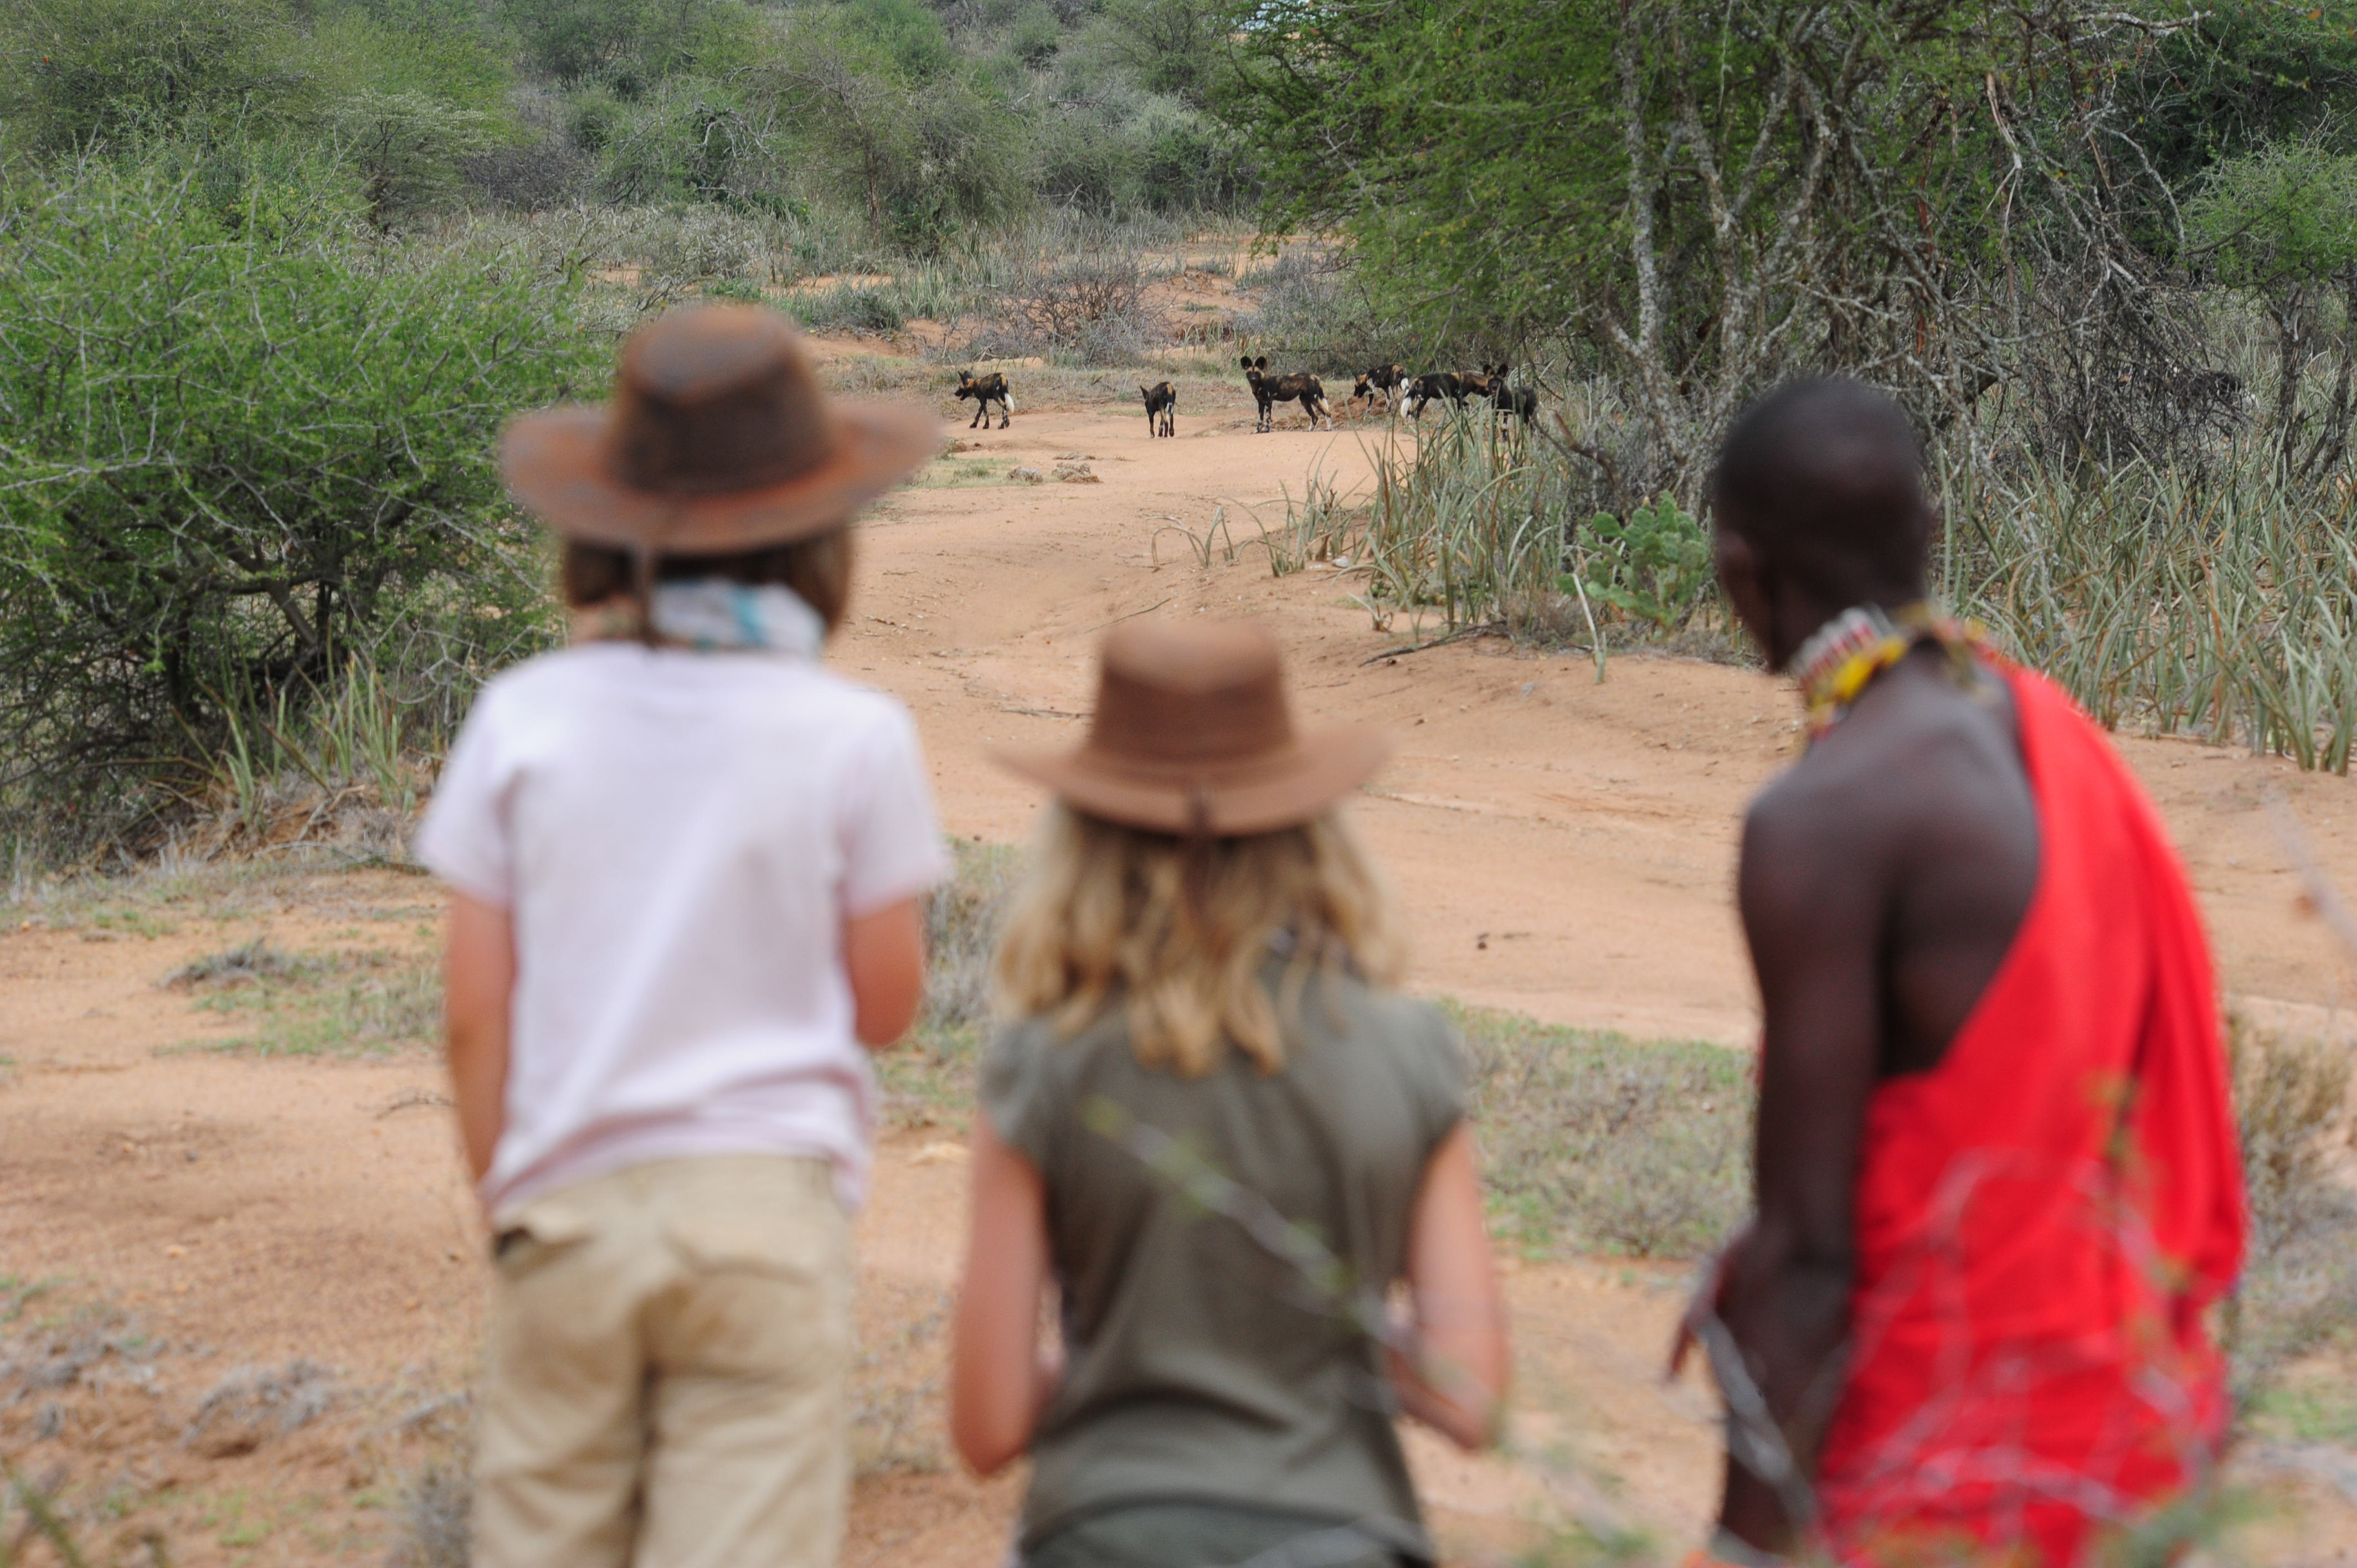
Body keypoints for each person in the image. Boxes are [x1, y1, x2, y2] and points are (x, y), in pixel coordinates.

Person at [1678, 379, 2247, 1567]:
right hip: (2137, 1438)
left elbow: (1810, 1254)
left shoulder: (1825, 818)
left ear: (1740, 569)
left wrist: (1740, 1545)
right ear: (1928, 533)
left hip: (1952, 1473)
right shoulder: (2047, 729)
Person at [415, 303, 946, 1568]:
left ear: (601, 526)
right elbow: (886, 1006)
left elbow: (475, 1011)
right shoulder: (854, 733)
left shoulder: (521, 717)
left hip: (568, 1214)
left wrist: (511, 1189)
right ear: (822, 538)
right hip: (762, 1224)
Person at [949, 620, 1510, 1568]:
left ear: (1085, 834)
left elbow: (988, 1424)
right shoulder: (1407, 1051)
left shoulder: (1045, 1062)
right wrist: (1306, 1345)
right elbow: (1471, 1396)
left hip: (1106, 1529)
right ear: (1305, 824)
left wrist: (1129, 1365)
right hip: (1344, 1534)